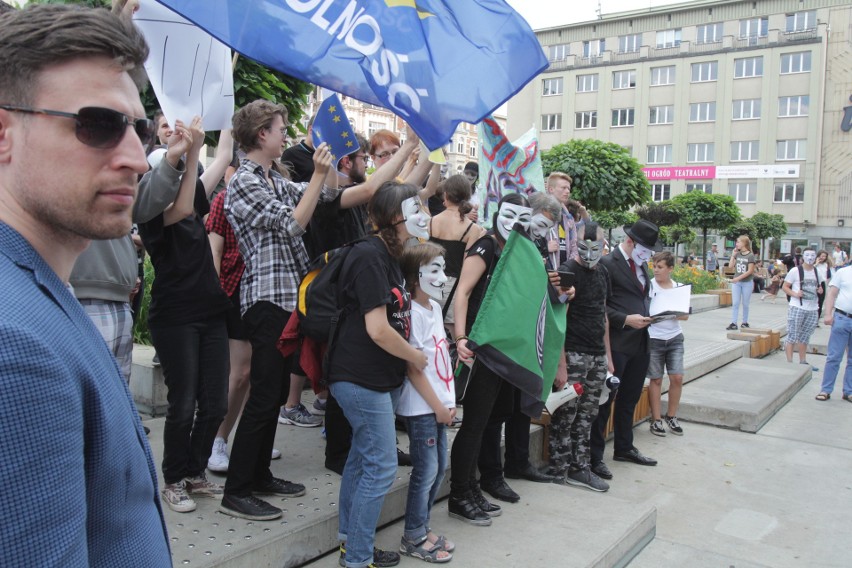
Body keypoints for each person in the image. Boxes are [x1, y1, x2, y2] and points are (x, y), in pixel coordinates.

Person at [0, 4, 171, 565]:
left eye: (139, 130)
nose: (136, 159)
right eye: (98, 124)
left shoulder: (38, 290)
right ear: (4, 134)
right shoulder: (15, 347)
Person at [223, 100, 338, 521]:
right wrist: (320, 173)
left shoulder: (274, 178)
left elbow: (328, 198)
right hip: (266, 299)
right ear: (260, 135)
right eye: (280, 127)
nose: (286, 134)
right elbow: (293, 222)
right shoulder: (244, 182)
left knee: (269, 395)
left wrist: (335, 161)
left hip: (287, 299)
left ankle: (258, 475)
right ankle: (236, 490)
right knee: (265, 393)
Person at [327, 182, 428, 568]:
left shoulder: (391, 255)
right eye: (415, 209)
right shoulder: (369, 256)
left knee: (360, 460)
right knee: (382, 465)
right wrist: (415, 357)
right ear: (394, 217)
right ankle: (357, 558)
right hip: (358, 377)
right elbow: (378, 329)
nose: (424, 215)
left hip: (378, 376)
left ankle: (350, 544)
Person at [139, 120, 234, 512]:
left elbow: (225, 154)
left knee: (215, 403)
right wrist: (191, 150)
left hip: (210, 313)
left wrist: (221, 114)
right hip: (175, 316)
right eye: (173, 172)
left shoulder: (193, 206)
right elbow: (178, 205)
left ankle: (195, 471)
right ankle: (173, 478)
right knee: (182, 404)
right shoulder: (152, 213)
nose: (183, 179)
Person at [450, 193, 532, 525]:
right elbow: (463, 292)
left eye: (522, 219)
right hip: (479, 348)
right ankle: (459, 494)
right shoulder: (486, 246)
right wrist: (460, 337)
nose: (516, 224)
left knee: (487, 421)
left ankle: (471, 488)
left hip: (502, 350)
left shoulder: (516, 253)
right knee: (473, 424)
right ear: (498, 214)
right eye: (510, 216)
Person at [397, 242, 456, 563]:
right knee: (427, 469)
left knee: (438, 467)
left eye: (443, 269)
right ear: (414, 275)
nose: (443, 277)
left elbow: (439, 362)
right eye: (435, 270)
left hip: (437, 405)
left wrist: (447, 402)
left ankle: (421, 526)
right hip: (421, 407)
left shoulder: (433, 308)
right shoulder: (412, 312)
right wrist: (437, 405)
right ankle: (414, 535)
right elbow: (414, 367)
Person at [591, 219, 662, 480]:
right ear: (630, 241)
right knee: (604, 401)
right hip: (617, 344)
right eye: (645, 247)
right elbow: (599, 305)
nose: (649, 254)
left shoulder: (642, 267)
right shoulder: (608, 264)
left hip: (641, 342)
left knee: (629, 398)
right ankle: (594, 457)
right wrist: (624, 319)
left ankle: (624, 446)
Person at [547, 222, 613, 492]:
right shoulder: (567, 272)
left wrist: (608, 355)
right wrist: (560, 363)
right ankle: (559, 467)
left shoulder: (604, 272)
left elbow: (603, 314)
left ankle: (579, 467)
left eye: (595, 246)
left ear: (603, 244)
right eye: (583, 247)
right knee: (566, 413)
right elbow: (556, 318)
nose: (589, 253)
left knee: (587, 414)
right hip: (573, 353)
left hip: (596, 355)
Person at [428, 174, 486, 323]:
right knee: (451, 332)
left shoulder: (431, 221)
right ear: (467, 196)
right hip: (453, 287)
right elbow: (468, 265)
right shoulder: (472, 229)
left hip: (427, 281)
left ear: (445, 195)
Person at [647, 251, 689, 437]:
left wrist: (668, 313)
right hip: (654, 337)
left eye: (660, 267)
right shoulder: (648, 286)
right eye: (654, 266)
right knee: (655, 378)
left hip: (674, 337)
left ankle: (671, 415)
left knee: (677, 377)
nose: (656, 270)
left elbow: (685, 315)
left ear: (670, 268)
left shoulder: (679, 288)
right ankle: (656, 419)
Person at [782, 249, 822, 371]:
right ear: (803, 257)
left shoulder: (817, 271)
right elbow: (784, 286)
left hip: (812, 308)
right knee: (792, 335)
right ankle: (789, 362)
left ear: (816, 257)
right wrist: (795, 294)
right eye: (807, 255)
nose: (810, 258)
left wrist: (820, 291)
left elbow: (819, 287)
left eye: (812, 255)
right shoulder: (795, 271)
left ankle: (803, 361)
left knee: (805, 336)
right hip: (797, 307)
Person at [817, 263, 852, 401]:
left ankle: (848, 391)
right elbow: (831, 294)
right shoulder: (843, 272)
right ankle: (825, 389)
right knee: (834, 356)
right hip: (842, 317)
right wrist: (827, 314)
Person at [726, 235, 756, 330]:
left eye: (738, 242)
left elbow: (750, 271)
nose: (736, 244)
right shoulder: (737, 254)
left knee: (745, 303)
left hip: (746, 282)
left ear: (744, 243)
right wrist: (733, 255)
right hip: (737, 283)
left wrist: (738, 278)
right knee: (735, 303)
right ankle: (733, 323)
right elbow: (731, 266)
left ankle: (744, 322)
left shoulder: (750, 255)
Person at [815, 250, 833, 322]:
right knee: (814, 301)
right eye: (822, 256)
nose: (823, 258)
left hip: (822, 283)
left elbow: (826, 276)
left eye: (825, 256)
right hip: (814, 283)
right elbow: (811, 270)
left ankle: (817, 319)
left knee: (820, 301)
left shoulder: (825, 264)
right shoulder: (814, 264)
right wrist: (816, 263)